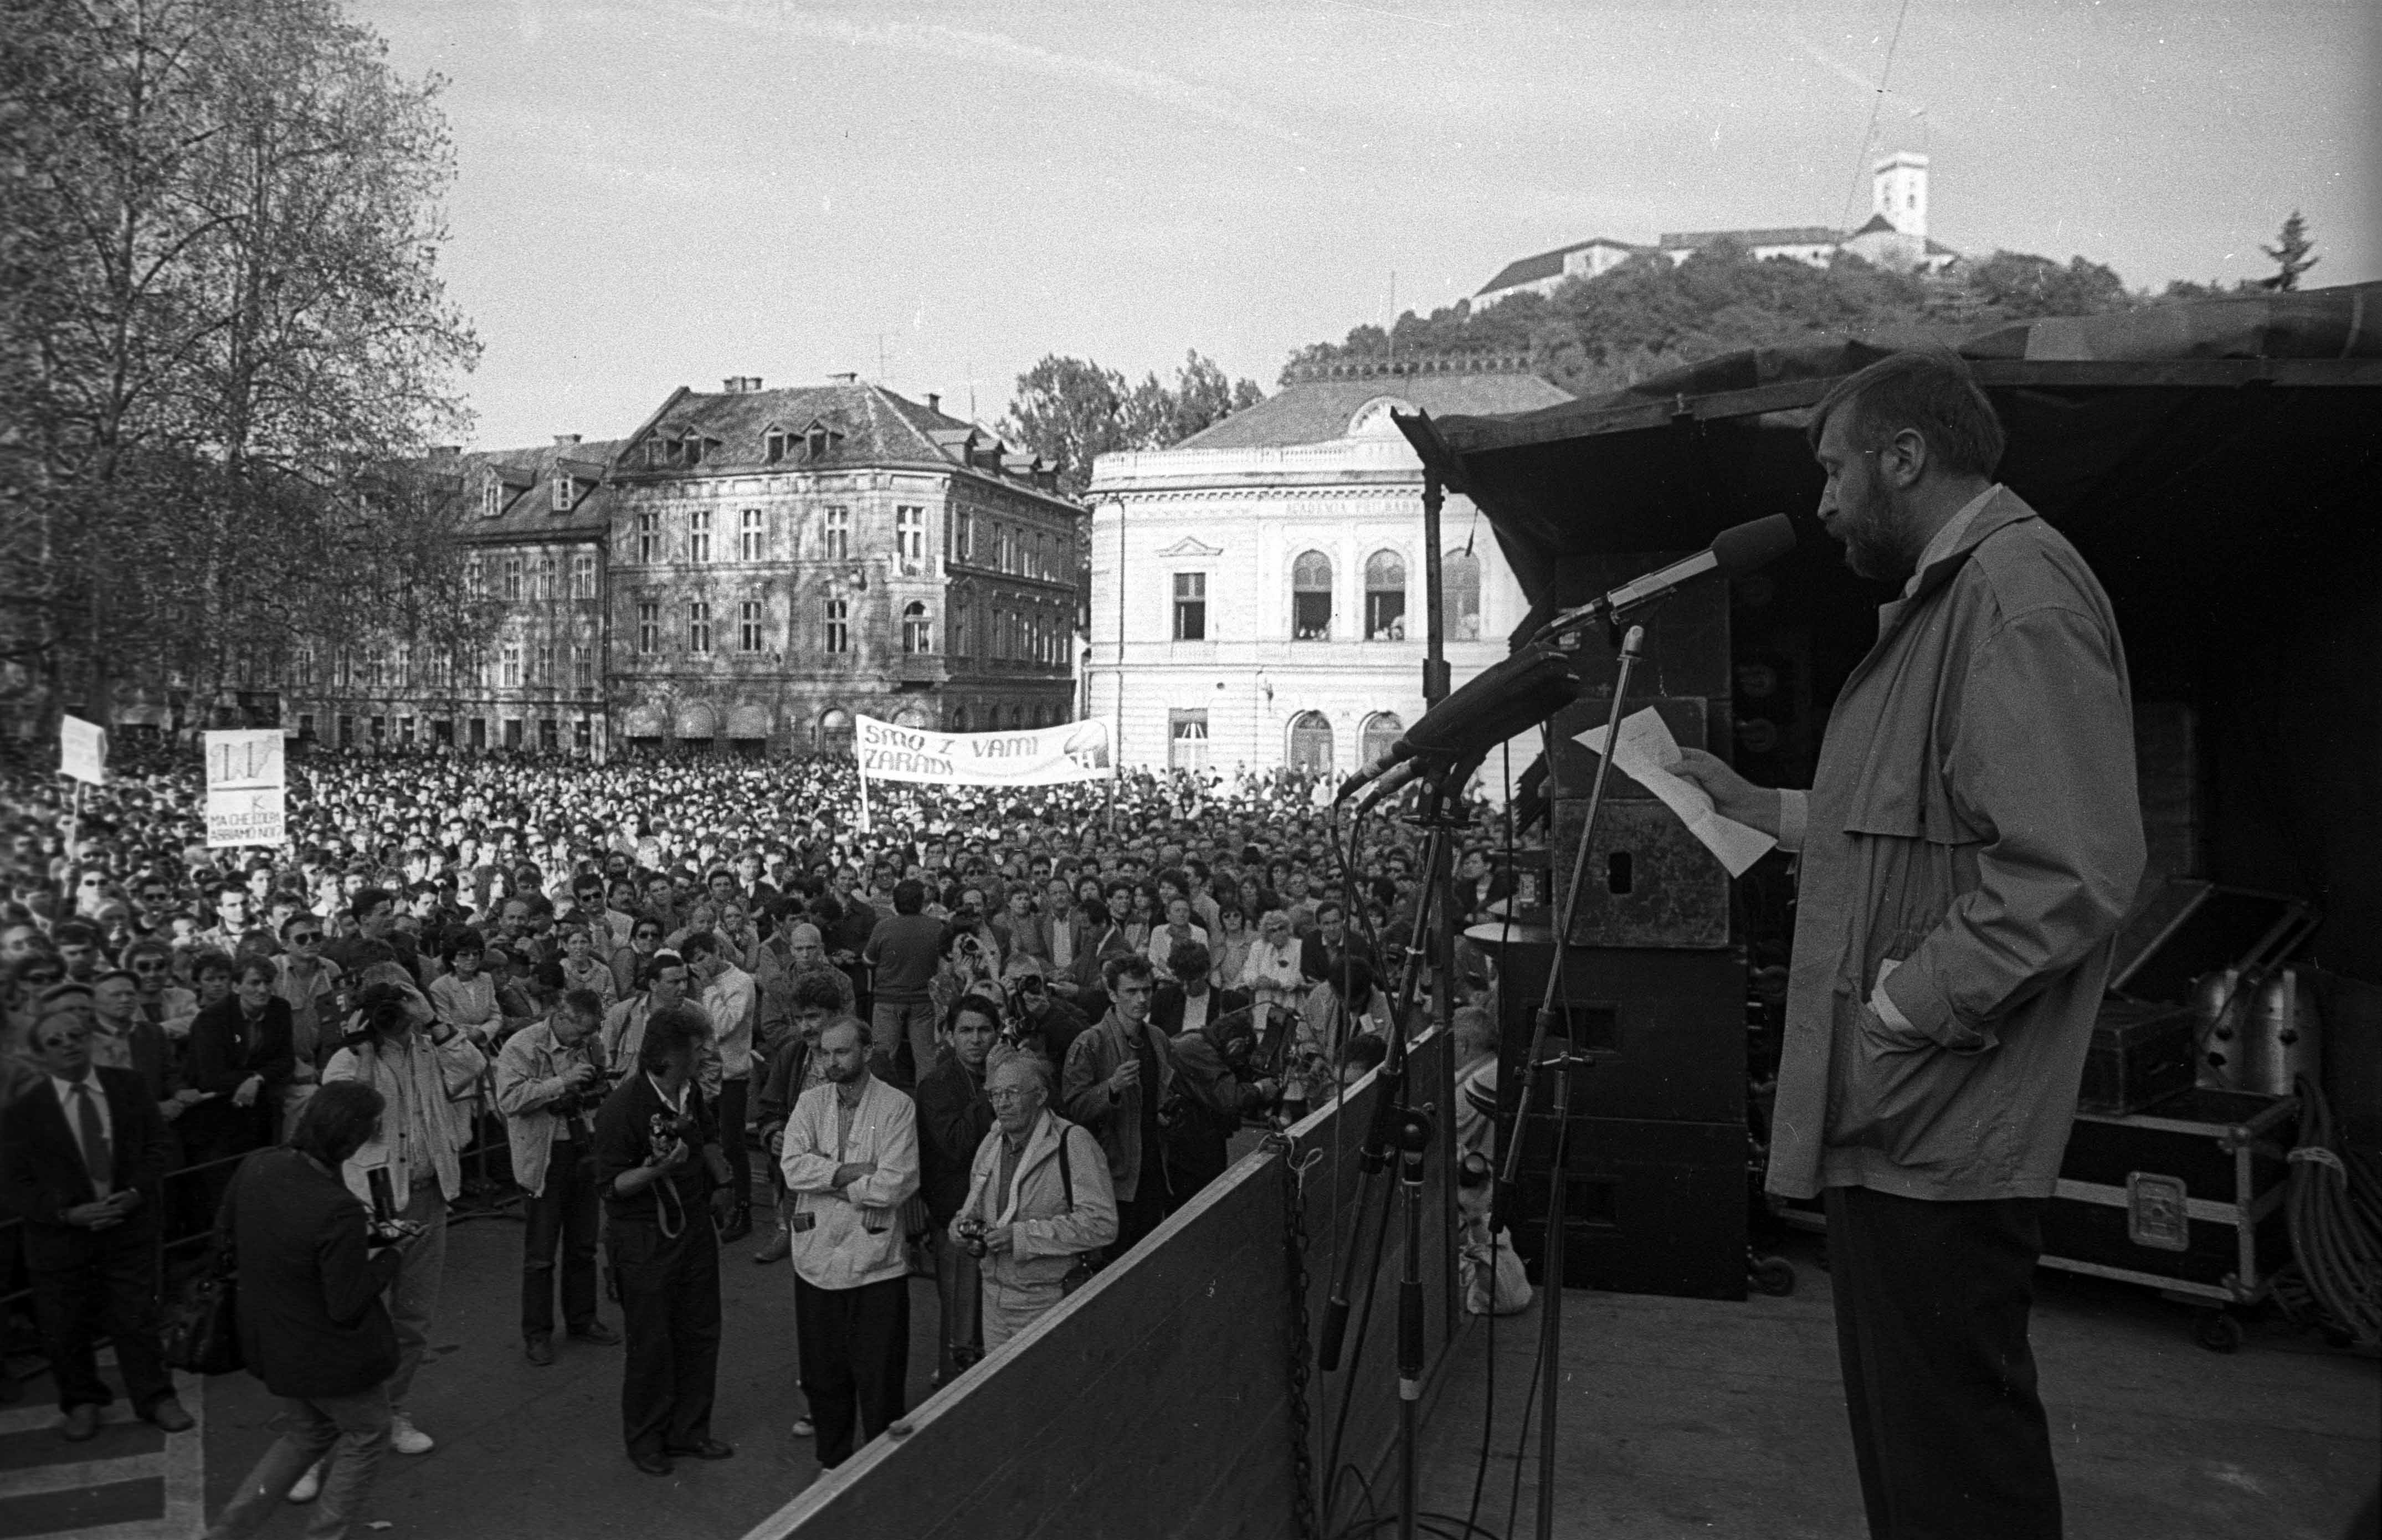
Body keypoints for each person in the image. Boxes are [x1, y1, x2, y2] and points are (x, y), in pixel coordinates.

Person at [1671, 350, 2145, 1540]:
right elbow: (1908, 834)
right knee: (1921, 1457)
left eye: (1834, 469)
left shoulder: (2013, 596)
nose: (1822, 500)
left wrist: (1900, 1010)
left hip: (1944, 1114)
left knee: (1954, 1472)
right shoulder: (1964, 596)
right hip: (1911, 1117)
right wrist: (1753, 803)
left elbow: (2069, 866)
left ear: (1902, 458)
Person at [204, 1081, 404, 1540]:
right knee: (368, 1433)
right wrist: (394, 1253)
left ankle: (228, 1532)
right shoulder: (339, 1209)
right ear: (352, 1139)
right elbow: (348, 1304)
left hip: (272, 1339)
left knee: (306, 1435)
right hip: (330, 1356)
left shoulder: (258, 1166)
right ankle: (324, 1534)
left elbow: (229, 1237)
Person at [0, 1003, 192, 1440]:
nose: (68, 1045)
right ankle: (82, 1402)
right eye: (55, 1041)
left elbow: (157, 1147)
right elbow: (13, 1181)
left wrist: (136, 1194)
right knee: (64, 1326)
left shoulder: (128, 1087)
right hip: (58, 1236)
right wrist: (65, 1213)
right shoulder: (22, 1109)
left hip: (128, 1224)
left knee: (137, 1317)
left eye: (74, 1035)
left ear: (88, 1039)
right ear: (39, 1055)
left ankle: (156, 1397)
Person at [316, 975, 486, 1462]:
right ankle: (328, 1427)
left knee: (413, 1317)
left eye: (402, 1008)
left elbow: (473, 1065)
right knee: (357, 1318)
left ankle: (394, 1410)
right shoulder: (348, 1061)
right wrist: (365, 1047)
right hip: (374, 1202)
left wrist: (430, 1019)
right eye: (387, 1012)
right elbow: (355, 1124)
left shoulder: (429, 1048)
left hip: (429, 1196)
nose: (397, 1021)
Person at [592, 1003, 735, 1475]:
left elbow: (709, 1140)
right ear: (672, 1055)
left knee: (699, 1329)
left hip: (693, 1226)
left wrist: (725, 1184)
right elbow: (611, 1186)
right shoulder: (622, 1108)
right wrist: (660, 1169)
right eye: (698, 1048)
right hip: (644, 1236)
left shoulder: (690, 1095)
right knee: (652, 1340)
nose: (706, 1055)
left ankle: (689, 1431)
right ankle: (646, 1439)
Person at [778, 1015, 919, 1469]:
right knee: (824, 1376)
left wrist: (828, 1179)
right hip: (816, 1260)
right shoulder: (810, 1103)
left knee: (880, 1377)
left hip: (876, 1263)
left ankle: (882, 1471)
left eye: (841, 1052)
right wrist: (851, 1173)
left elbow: (896, 1183)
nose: (830, 1061)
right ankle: (832, 1465)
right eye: (824, 1052)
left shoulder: (897, 1107)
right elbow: (792, 1167)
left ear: (867, 1052)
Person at [953, 1051, 1116, 1353]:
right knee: (1004, 1396)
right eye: (995, 1094)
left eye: (1013, 1093)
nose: (1002, 1103)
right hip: (995, 1299)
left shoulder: (1072, 1141)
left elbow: (1102, 1224)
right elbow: (973, 1208)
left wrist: (1022, 1237)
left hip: (1049, 1301)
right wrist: (960, 1227)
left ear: (1040, 1095)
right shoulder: (992, 1142)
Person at [493, 988, 622, 1366]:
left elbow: (600, 1085)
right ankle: (537, 1333)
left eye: (590, 1033)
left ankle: (582, 1320)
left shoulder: (590, 1043)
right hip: (543, 1156)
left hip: (584, 1149)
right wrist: (562, 1083)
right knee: (541, 1255)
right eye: (580, 1033)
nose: (585, 1040)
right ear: (561, 1018)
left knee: (583, 1245)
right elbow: (510, 1100)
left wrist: (596, 1087)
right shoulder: (523, 1046)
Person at [1061, 956, 1179, 1255]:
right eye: (1131, 992)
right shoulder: (1090, 1043)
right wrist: (1111, 1089)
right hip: (1112, 1177)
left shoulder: (1157, 1039)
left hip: (1152, 1170)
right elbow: (1073, 1109)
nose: (1141, 999)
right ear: (1112, 994)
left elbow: (1159, 1098)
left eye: (1147, 990)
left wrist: (1165, 1115)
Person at [916, 995, 999, 1382]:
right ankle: (952, 1391)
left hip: (1000, 1213)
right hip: (956, 1215)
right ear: (949, 1036)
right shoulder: (936, 1085)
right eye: (966, 1030)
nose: (976, 1039)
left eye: (984, 1030)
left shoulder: (1009, 1072)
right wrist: (992, 1092)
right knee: (961, 1318)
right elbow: (955, 1143)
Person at [180, 956, 297, 1223]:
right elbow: (211, 1076)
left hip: (258, 1104)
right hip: (214, 1113)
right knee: (222, 1187)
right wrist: (252, 1078)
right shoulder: (211, 1019)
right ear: (236, 987)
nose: (262, 990)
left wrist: (255, 1080)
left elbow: (285, 1061)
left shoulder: (280, 1009)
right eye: (254, 983)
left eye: (268, 983)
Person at [683, 928, 758, 1241]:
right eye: (694, 962)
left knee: (732, 1144)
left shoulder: (741, 982)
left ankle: (743, 1210)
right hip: (702, 1075)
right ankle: (712, 1205)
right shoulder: (695, 984)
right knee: (701, 1142)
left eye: (703, 958)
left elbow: (723, 1026)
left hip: (731, 1074)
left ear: (716, 951)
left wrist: (709, 988)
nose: (700, 966)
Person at [861, 878, 942, 1086]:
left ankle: (881, 1107)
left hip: (889, 1000)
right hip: (924, 1000)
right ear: (922, 901)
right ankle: (928, 1105)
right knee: (926, 1058)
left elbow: (868, 960)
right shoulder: (936, 927)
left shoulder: (884, 927)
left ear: (895, 902)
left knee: (883, 1057)